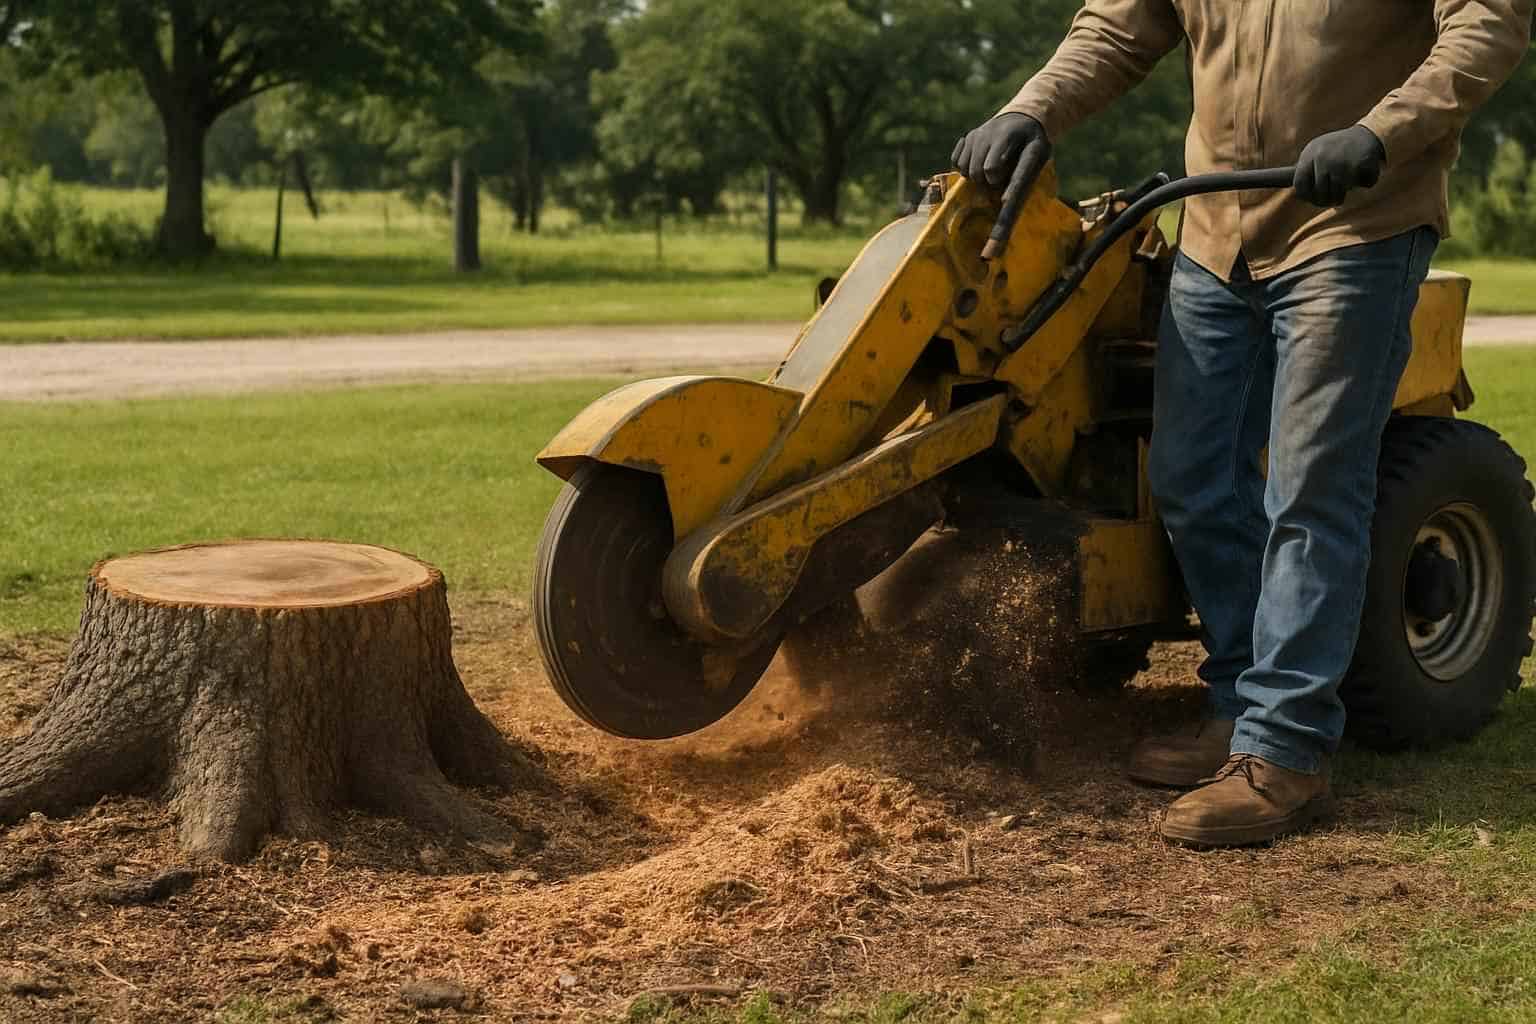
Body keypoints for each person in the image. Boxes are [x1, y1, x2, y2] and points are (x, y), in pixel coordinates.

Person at [953, 0, 1532, 847]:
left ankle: (1285, 749)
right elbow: (1117, 28)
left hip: (1355, 227)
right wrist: (1030, 108)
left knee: (1312, 489)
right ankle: (1236, 707)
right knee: (1192, 475)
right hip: (1216, 231)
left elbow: (1486, 27)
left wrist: (1379, 135)